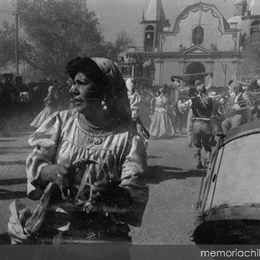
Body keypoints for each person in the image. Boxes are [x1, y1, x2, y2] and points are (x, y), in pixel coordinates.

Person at [8, 57, 149, 247]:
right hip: (58, 234)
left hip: (103, 240)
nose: (72, 90)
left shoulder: (127, 139)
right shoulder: (61, 122)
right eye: (73, 83)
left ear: (104, 89)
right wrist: (51, 172)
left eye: (82, 83)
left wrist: (109, 192)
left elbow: (135, 197)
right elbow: (36, 161)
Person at [182, 80, 214, 169]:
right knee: (207, 145)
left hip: (196, 125)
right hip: (207, 125)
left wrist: (179, 103)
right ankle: (208, 161)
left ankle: (198, 162)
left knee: (197, 145)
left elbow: (183, 107)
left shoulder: (192, 100)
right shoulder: (211, 99)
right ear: (205, 90)